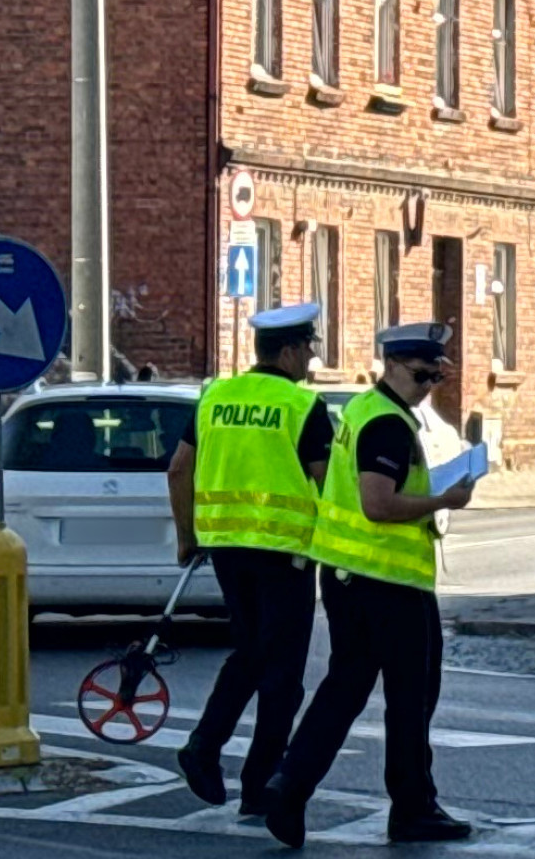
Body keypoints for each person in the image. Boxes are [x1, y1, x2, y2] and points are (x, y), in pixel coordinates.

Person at [258, 322, 477, 847]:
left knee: (346, 687)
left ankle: (289, 787)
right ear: (395, 366)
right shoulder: (386, 425)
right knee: (411, 697)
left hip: (351, 577)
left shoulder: (364, 409)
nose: (428, 386)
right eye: (422, 375)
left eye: (436, 377)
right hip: (386, 582)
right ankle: (412, 809)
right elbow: (377, 504)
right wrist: (442, 501)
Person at [167, 303, 334, 814]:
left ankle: (204, 747)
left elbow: (178, 470)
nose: (310, 359)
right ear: (286, 352)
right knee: (282, 674)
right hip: (285, 555)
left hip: (225, 550)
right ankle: (258, 785)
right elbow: (328, 481)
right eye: (307, 349)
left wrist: (186, 537)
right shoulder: (301, 406)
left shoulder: (215, 397)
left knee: (250, 654)